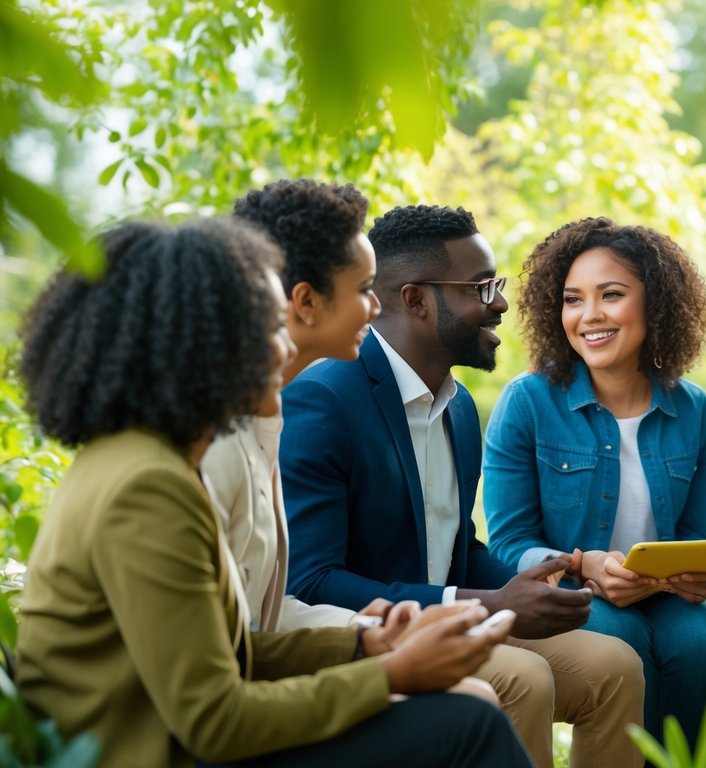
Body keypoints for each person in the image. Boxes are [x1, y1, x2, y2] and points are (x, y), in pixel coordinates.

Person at [15, 219, 528, 767]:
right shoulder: (148, 488)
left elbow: (228, 650)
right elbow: (215, 720)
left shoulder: (152, 462)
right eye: (265, 326)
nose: (286, 345)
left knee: (461, 718)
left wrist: (365, 644)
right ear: (199, 348)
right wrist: (392, 673)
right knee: (465, 725)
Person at [279, 204, 644, 768]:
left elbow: (453, 549)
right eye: (482, 287)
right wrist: (491, 603)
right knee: (522, 678)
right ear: (416, 300)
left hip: (454, 616)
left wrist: (534, 585)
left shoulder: (459, 407)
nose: (500, 303)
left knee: (614, 666)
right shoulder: (326, 398)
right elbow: (310, 580)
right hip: (364, 636)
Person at [201, 179, 496, 704]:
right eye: (363, 290)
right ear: (305, 301)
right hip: (229, 717)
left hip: (296, 660)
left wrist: (370, 638)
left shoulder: (262, 423)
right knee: (473, 706)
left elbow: (256, 623)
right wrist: (381, 659)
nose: (375, 309)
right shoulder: (234, 438)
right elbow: (216, 682)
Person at [483, 218, 706, 746]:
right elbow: (507, 544)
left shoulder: (696, 411)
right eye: (573, 299)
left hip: (661, 597)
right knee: (622, 637)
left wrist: (692, 576)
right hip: (572, 592)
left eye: (611, 295)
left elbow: (691, 536)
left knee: (703, 637)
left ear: (655, 303)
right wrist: (582, 564)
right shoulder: (527, 403)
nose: (589, 315)